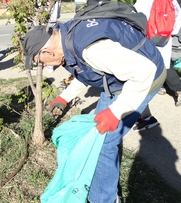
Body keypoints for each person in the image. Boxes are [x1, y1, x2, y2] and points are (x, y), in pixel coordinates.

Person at [23, 19, 166, 202]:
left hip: (146, 78)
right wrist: (65, 97)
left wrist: (116, 112)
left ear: (46, 51)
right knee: (99, 133)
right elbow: (90, 70)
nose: (43, 65)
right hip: (116, 80)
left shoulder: (91, 49)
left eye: (40, 62)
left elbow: (144, 71)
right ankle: (102, 186)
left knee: (104, 142)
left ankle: (104, 199)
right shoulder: (67, 39)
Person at [134, 0, 181, 130]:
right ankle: (144, 115)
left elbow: (134, 25)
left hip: (145, 48)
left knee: (139, 83)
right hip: (165, 47)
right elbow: (175, 29)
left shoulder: (143, 1)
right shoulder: (173, 1)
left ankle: (145, 116)